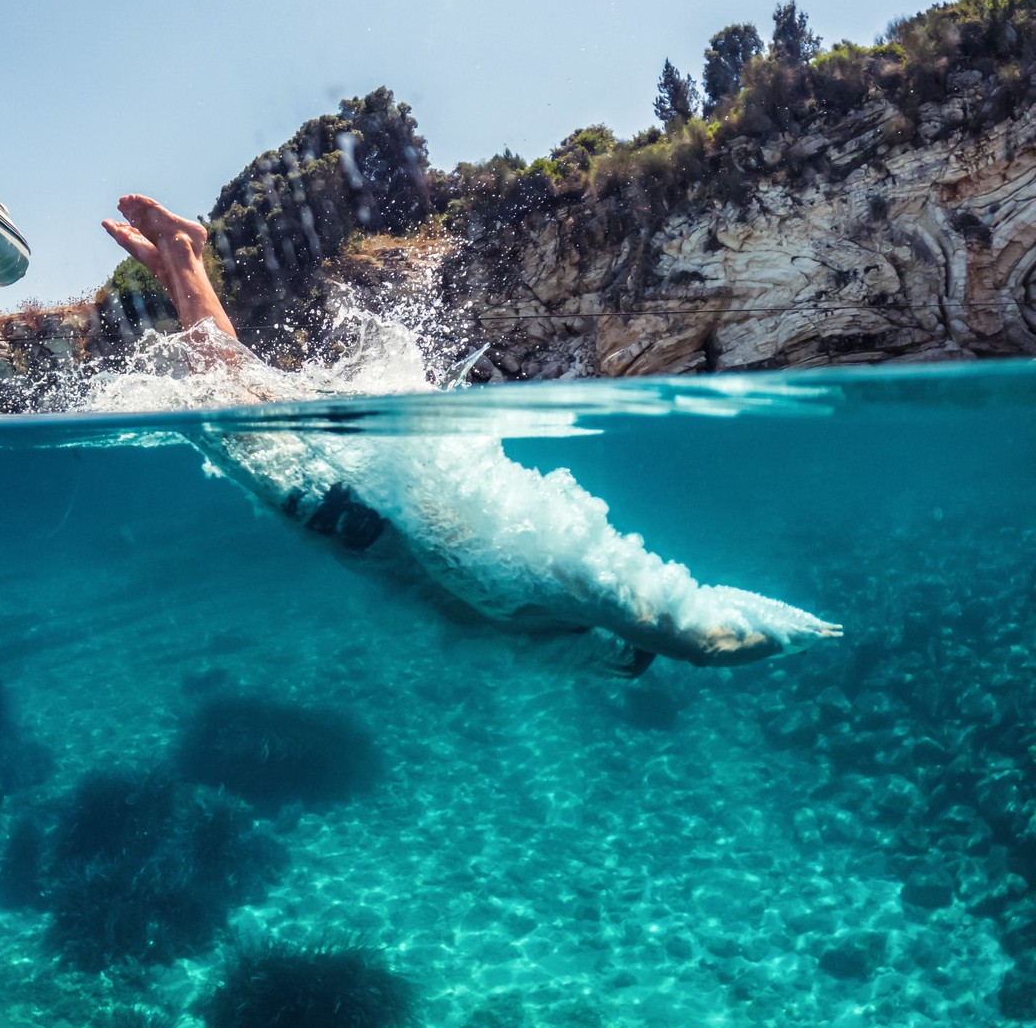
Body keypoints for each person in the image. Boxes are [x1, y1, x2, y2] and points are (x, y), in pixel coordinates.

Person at [103, 194, 843, 673]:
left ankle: (180, 269)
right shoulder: (595, 598)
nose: (617, 657)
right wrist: (796, 629)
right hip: (409, 518)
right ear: (625, 641)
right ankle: (186, 256)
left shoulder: (550, 629)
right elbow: (707, 640)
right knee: (237, 418)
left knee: (237, 423)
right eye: (630, 654)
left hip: (380, 529)